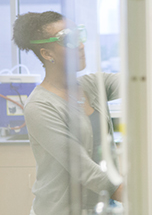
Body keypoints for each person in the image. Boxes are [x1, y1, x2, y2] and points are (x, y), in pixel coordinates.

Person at [13, 11, 123, 215]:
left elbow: (140, 82)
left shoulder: (93, 84)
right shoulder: (39, 105)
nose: (80, 45)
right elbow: (81, 166)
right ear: (47, 53)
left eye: (79, 35)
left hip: (102, 207)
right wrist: (130, 193)